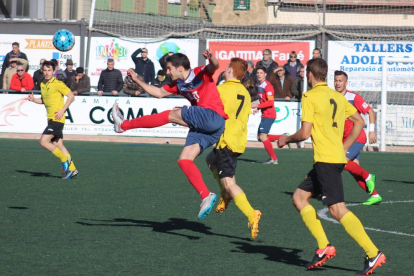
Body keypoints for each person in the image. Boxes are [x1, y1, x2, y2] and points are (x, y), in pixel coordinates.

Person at [277, 58, 386, 275]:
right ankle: (323, 245)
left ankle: (373, 253)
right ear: (325, 75)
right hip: (330, 159)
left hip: (327, 161)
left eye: (305, 73)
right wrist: (343, 147)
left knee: (337, 209)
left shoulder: (310, 96)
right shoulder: (336, 96)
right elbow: (360, 122)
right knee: (299, 197)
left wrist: (286, 139)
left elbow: (305, 133)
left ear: (310, 74)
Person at [111, 50, 228, 221]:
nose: (166, 72)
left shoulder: (198, 73)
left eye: (168, 68)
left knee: (172, 114)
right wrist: (137, 80)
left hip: (212, 116)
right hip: (210, 129)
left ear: (180, 68)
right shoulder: (178, 84)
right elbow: (158, 93)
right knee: (184, 160)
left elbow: (215, 66)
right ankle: (205, 195)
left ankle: (124, 125)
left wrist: (212, 58)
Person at [205, 57, 262, 239]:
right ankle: (225, 194)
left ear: (230, 70)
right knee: (210, 160)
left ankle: (251, 213)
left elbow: (210, 112)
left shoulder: (221, 89)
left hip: (227, 141)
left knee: (230, 183)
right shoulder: (245, 92)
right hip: (237, 140)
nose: (226, 69)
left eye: (228, 67)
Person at [334, 70, 382, 205]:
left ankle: (368, 176)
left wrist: (372, 131)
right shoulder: (332, 97)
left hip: (357, 137)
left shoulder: (353, 97)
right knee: (354, 170)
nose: (337, 83)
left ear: (346, 83)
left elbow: (370, 111)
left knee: (340, 162)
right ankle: (375, 195)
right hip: (346, 139)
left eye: (340, 81)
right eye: (336, 80)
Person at [27, 60, 78, 179]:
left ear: (54, 71)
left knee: (43, 141)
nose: (46, 73)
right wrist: (34, 99)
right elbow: (44, 101)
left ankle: (64, 160)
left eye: (49, 70)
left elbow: (71, 96)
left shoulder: (58, 83)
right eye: (44, 70)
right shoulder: (43, 84)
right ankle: (72, 169)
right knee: (58, 144)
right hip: (50, 120)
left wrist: (62, 110)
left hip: (57, 119)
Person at [251, 66, 281, 164]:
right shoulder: (259, 85)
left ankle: (274, 158)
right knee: (260, 137)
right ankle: (282, 136)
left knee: (263, 136)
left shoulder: (267, 86)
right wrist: (258, 108)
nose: (259, 74)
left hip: (269, 114)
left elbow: (270, 102)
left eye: (261, 73)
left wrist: (257, 105)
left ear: (265, 74)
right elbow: (263, 100)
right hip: (265, 113)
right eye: (258, 73)